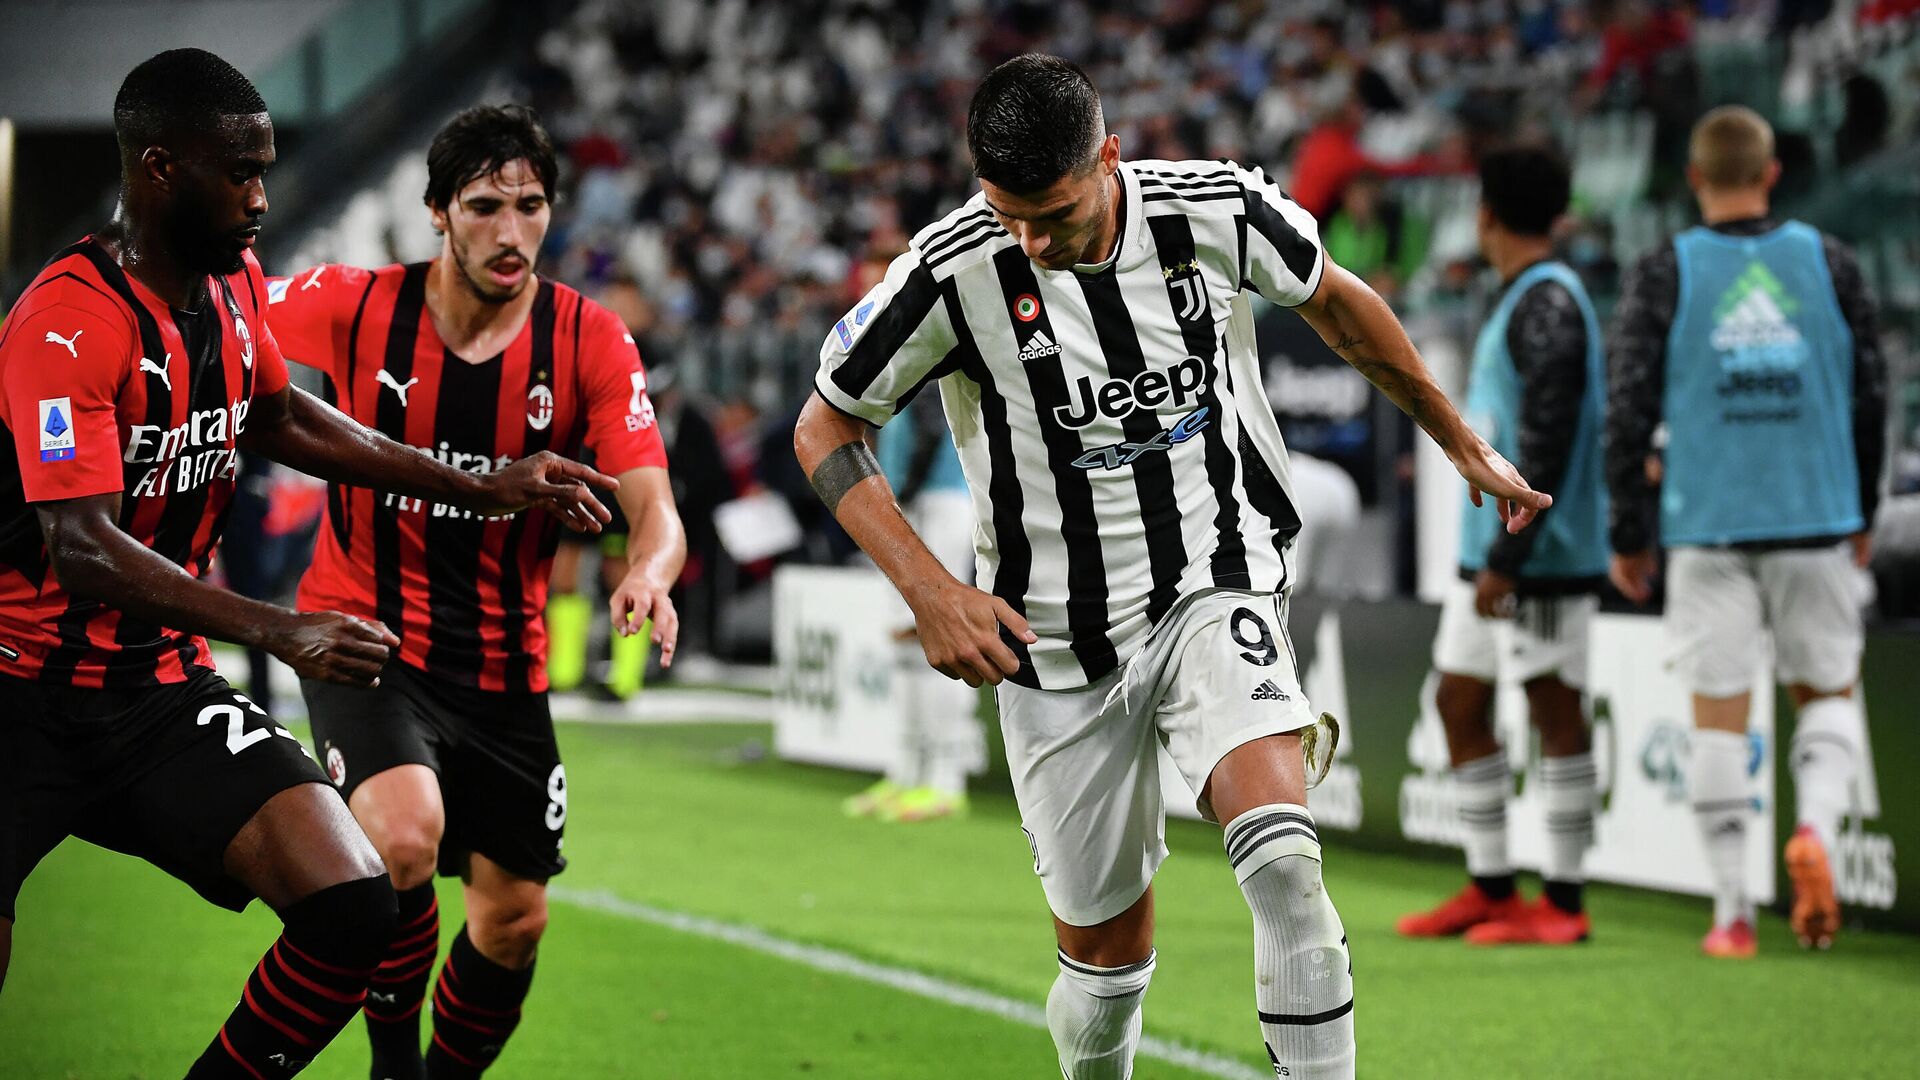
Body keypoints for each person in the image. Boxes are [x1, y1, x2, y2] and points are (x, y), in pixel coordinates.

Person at [794, 54, 1548, 1079]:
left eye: (1052, 212)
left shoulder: (1216, 210)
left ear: (1109, 158)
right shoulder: (951, 270)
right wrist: (932, 591)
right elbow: (825, 422)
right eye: (1005, 210)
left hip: (1213, 577)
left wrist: (1457, 439)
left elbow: (1336, 300)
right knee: (1106, 975)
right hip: (1051, 643)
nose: (1030, 238)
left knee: (1286, 865)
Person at [0, 50, 616, 1079]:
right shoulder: (64, 325)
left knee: (356, 905)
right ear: (158, 169)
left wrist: (480, 483)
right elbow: (81, 545)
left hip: (152, 692)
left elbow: (280, 415)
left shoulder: (234, 284)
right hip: (16, 689)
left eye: (264, 167)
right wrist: (278, 627)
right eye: (238, 172)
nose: (260, 196)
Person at [266, 104, 687, 1079]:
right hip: (365, 637)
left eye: (531, 206)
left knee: (514, 921)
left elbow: (652, 500)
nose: (511, 231)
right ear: (437, 214)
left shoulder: (589, 340)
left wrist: (651, 573)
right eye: (485, 206)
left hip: (504, 666)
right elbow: (215, 313)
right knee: (402, 838)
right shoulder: (354, 305)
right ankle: (391, 1064)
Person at [1608, 105, 1886, 957]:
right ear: (1772, 174)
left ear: (1694, 179)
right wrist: (1864, 507)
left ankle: (1731, 913)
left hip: (1708, 524)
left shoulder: (1666, 271)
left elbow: (1627, 409)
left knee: (1718, 721)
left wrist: (1629, 528)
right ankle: (1817, 835)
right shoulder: (1831, 261)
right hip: (1816, 515)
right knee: (1827, 693)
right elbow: (1872, 390)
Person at [1396, 144, 1606, 946]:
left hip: (1534, 560)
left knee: (1553, 708)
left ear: (1484, 213)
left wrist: (1509, 560)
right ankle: (1491, 886)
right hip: (1494, 554)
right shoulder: (1528, 297)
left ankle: (1565, 901)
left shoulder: (1546, 303)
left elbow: (1547, 444)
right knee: (1459, 701)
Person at [842, 392, 985, 823]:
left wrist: (902, 490)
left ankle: (946, 777)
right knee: (904, 638)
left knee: (939, 634)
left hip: (938, 498)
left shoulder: (929, 356)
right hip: (911, 499)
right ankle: (906, 770)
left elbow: (930, 427)